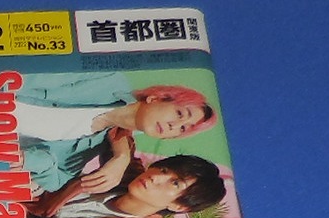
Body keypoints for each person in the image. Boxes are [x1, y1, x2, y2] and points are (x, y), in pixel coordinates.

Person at [15, 72, 218, 193]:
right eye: (180, 113)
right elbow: (27, 75)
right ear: (156, 98)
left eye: (182, 129)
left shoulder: (98, 144)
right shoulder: (106, 78)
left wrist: (28, 159)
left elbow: (56, 180)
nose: (174, 126)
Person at [25, 155, 227, 218]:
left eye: (175, 183)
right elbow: (121, 125)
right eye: (164, 169)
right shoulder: (130, 176)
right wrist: (121, 157)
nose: (156, 177)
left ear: (178, 206)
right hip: (23, 200)